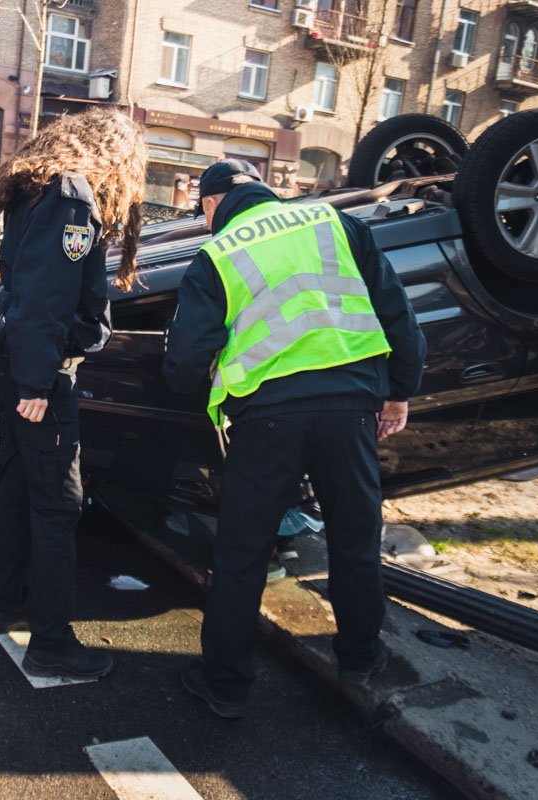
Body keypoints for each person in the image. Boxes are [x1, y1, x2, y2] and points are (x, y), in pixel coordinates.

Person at [163, 159, 427, 718]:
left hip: (266, 422)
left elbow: (184, 360)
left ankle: (226, 685)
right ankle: (359, 657)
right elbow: (397, 312)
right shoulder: (336, 223)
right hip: (351, 410)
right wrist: (399, 390)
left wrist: (198, 391)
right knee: (355, 541)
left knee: (242, 554)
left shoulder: (217, 253)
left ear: (212, 205)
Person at [0, 108, 147, 679]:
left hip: (18, 362)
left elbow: (22, 287)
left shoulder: (36, 189)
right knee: (58, 503)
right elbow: (47, 298)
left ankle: (8, 604)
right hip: (42, 374)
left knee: (18, 485)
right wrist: (38, 383)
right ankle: (50, 641)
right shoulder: (70, 197)